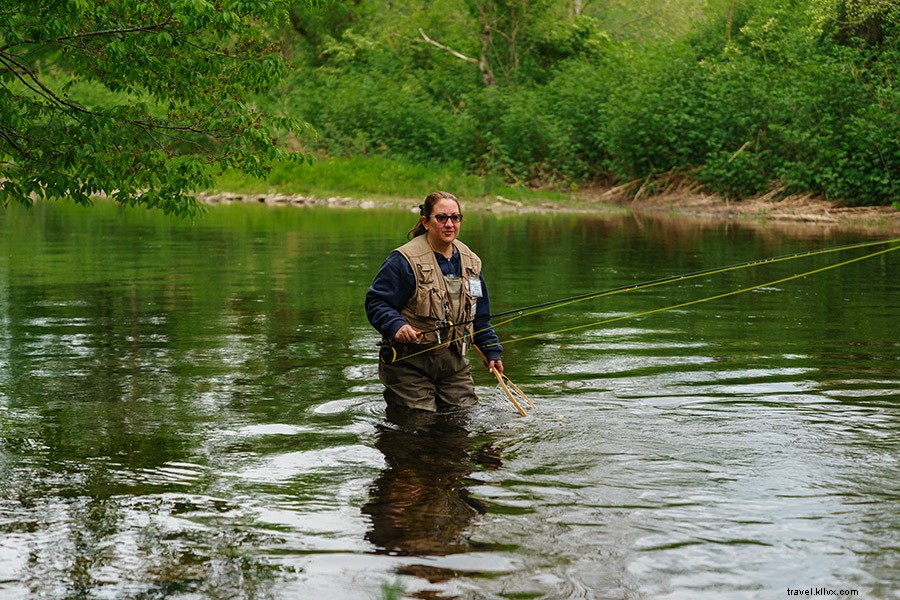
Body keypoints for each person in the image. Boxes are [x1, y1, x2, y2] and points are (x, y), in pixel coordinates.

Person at [365, 191, 504, 412]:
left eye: (455, 217)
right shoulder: (403, 260)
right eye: (441, 218)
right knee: (419, 421)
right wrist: (396, 326)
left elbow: (480, 314)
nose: (449, 224)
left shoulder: (471, 262)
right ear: (426, 222)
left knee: (464, 417)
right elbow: (377, 303)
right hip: (408, 364)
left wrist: (491, 350)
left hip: (453, 364)